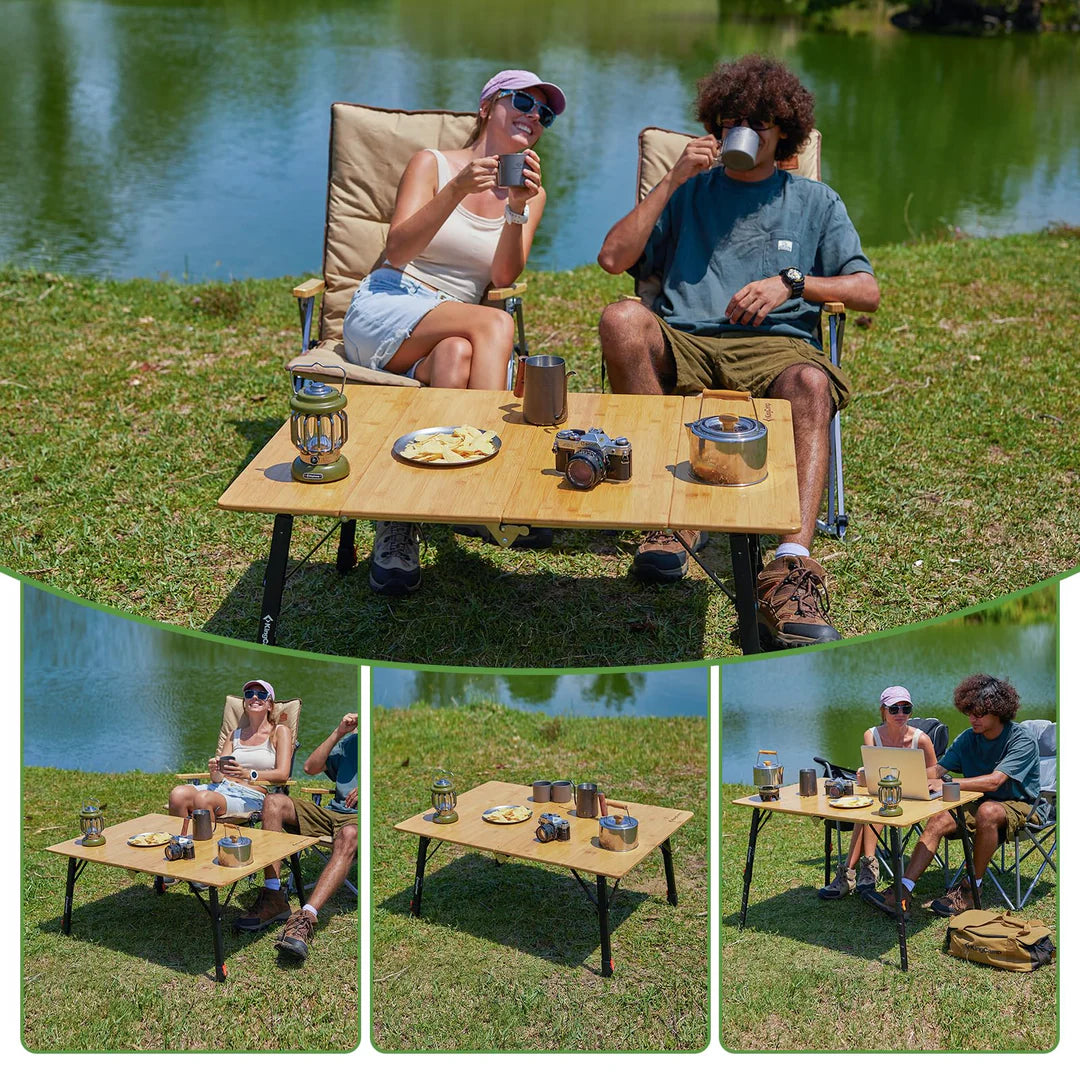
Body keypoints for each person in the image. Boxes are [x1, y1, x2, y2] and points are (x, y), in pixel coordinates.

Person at [596, 54, 879, 646]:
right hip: (687, 340)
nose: (741, 132)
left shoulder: (815, 201)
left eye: (756, 123)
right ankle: (670, 520)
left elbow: (866, 290)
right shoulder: (688, 192)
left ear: (783, 133)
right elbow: (612, 259)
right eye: (730, 121)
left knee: (811, 382)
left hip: (776, 348)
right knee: (621, 319)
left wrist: (792, 283)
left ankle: (790, 567)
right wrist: (671, 180)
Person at [342, 68, 566, 597]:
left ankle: (405, 516)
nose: (534, 117)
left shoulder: (532, 194)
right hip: (391, 303)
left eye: (544, 114)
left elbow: (502, 277)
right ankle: (488, 483)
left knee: (455, 358)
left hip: (453, 323)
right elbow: (397, 250)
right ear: (488, 106)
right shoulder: (433, 163)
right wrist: (458, 188)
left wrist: (516, 208)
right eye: (523, 102)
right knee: (494, 322)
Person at [866, 674, 1041, 919]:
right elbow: (937, 770)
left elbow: (995, 781)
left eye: (979, 714)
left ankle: (971, 889)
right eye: (969, 713)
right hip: (979, 802)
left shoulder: (1021, 739)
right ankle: (902, 890)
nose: (972, 719)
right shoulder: (968, 738)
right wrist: (894, 775)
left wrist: (949, 783)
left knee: (988, 811)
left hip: (1021, 805)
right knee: (939, 818)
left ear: (999, 712)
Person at [235, 711, 358, 962]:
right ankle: (273, 896)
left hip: (359, 820)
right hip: (331, 813)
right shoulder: (351, 742)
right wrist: (339, 732)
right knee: (273, 802)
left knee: (349, 833)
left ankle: (306, 917)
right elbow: (310, 767)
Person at [819, 686, 938, 900]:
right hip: (881, 796)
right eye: (894, 709)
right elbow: (872, 773)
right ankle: (863, 867)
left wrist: (920, 780)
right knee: (870, 808)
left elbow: (936, 774)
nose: (901, 714)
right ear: (883, 710)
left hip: (913, 799)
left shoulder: (921, 740)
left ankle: (853, 873)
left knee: (876, 808)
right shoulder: (872, 735)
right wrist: (864, 775)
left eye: (906, 709)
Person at [168, 679, 292, 821]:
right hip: (221, 787)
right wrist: (215, 770)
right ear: (245, 703)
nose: (254, 697)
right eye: (249, 694)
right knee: (178, 795)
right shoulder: (234, 735)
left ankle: (206, 836)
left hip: (251, 795)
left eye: (262, 694)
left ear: (270, 705)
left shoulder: (280, 732)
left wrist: (247, 774)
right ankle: (185, 835)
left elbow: (283, 774)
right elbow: (217, 778)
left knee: (203, 799)